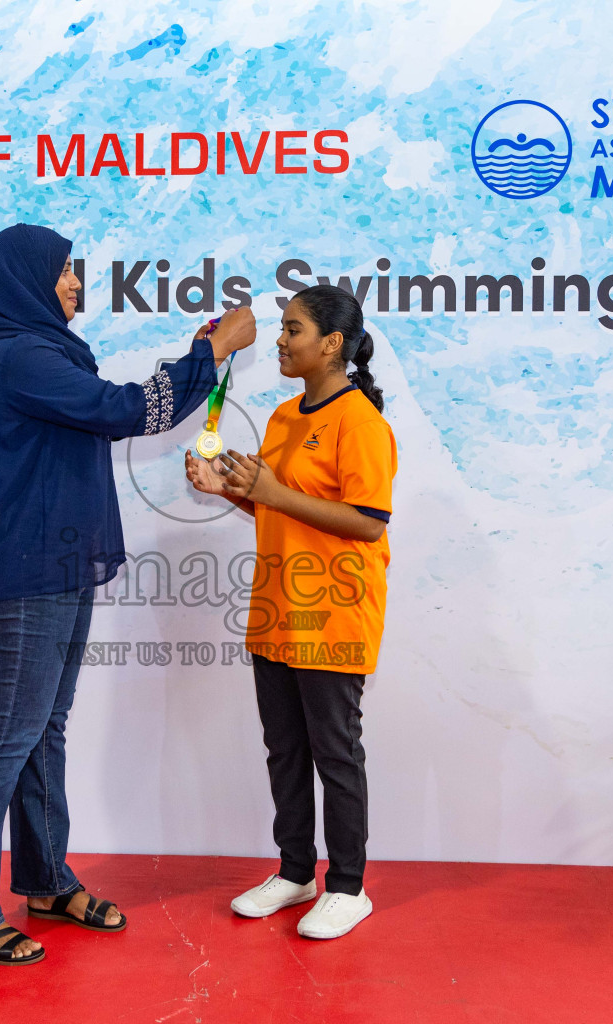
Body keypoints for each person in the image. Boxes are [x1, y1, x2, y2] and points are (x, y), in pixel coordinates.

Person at [0, 224, 256, 964]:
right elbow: (123, 411)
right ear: (27, 281)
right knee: (8, 737)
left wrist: (202, 355)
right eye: (65, 273)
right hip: (34, 571)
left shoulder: (43, 354)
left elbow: (119, 409)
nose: (78, 285)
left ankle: (45, 880)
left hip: (61, 565)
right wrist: (212, 351)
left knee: (44, 728)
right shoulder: (23, 357)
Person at [185, 283, 395, 940]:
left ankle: (348, 887)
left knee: (335, 752)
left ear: (331, 344)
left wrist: (271, 489)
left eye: (293, 329)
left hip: (334, 612)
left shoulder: (361, 423)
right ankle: (296, 870)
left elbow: (365, 524)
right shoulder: (282, 417)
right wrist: (232, 490)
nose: (279, 339)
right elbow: (277, 503)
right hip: (276, 609)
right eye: (281, 327)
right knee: (284, 749)